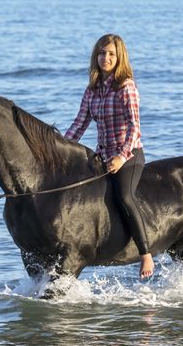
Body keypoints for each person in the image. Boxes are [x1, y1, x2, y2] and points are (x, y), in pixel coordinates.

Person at [64, 34, 154, 279]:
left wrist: (122, 157)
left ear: (119, 57)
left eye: (111, 54)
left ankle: (145, 254)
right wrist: (59, 149)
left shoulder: (126, 87)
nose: (106, 58)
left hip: (129, 155)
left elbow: (135, 127)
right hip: (102, 156)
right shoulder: (92, 91)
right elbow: (79, 123)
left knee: (124, 197)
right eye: (102, 53)